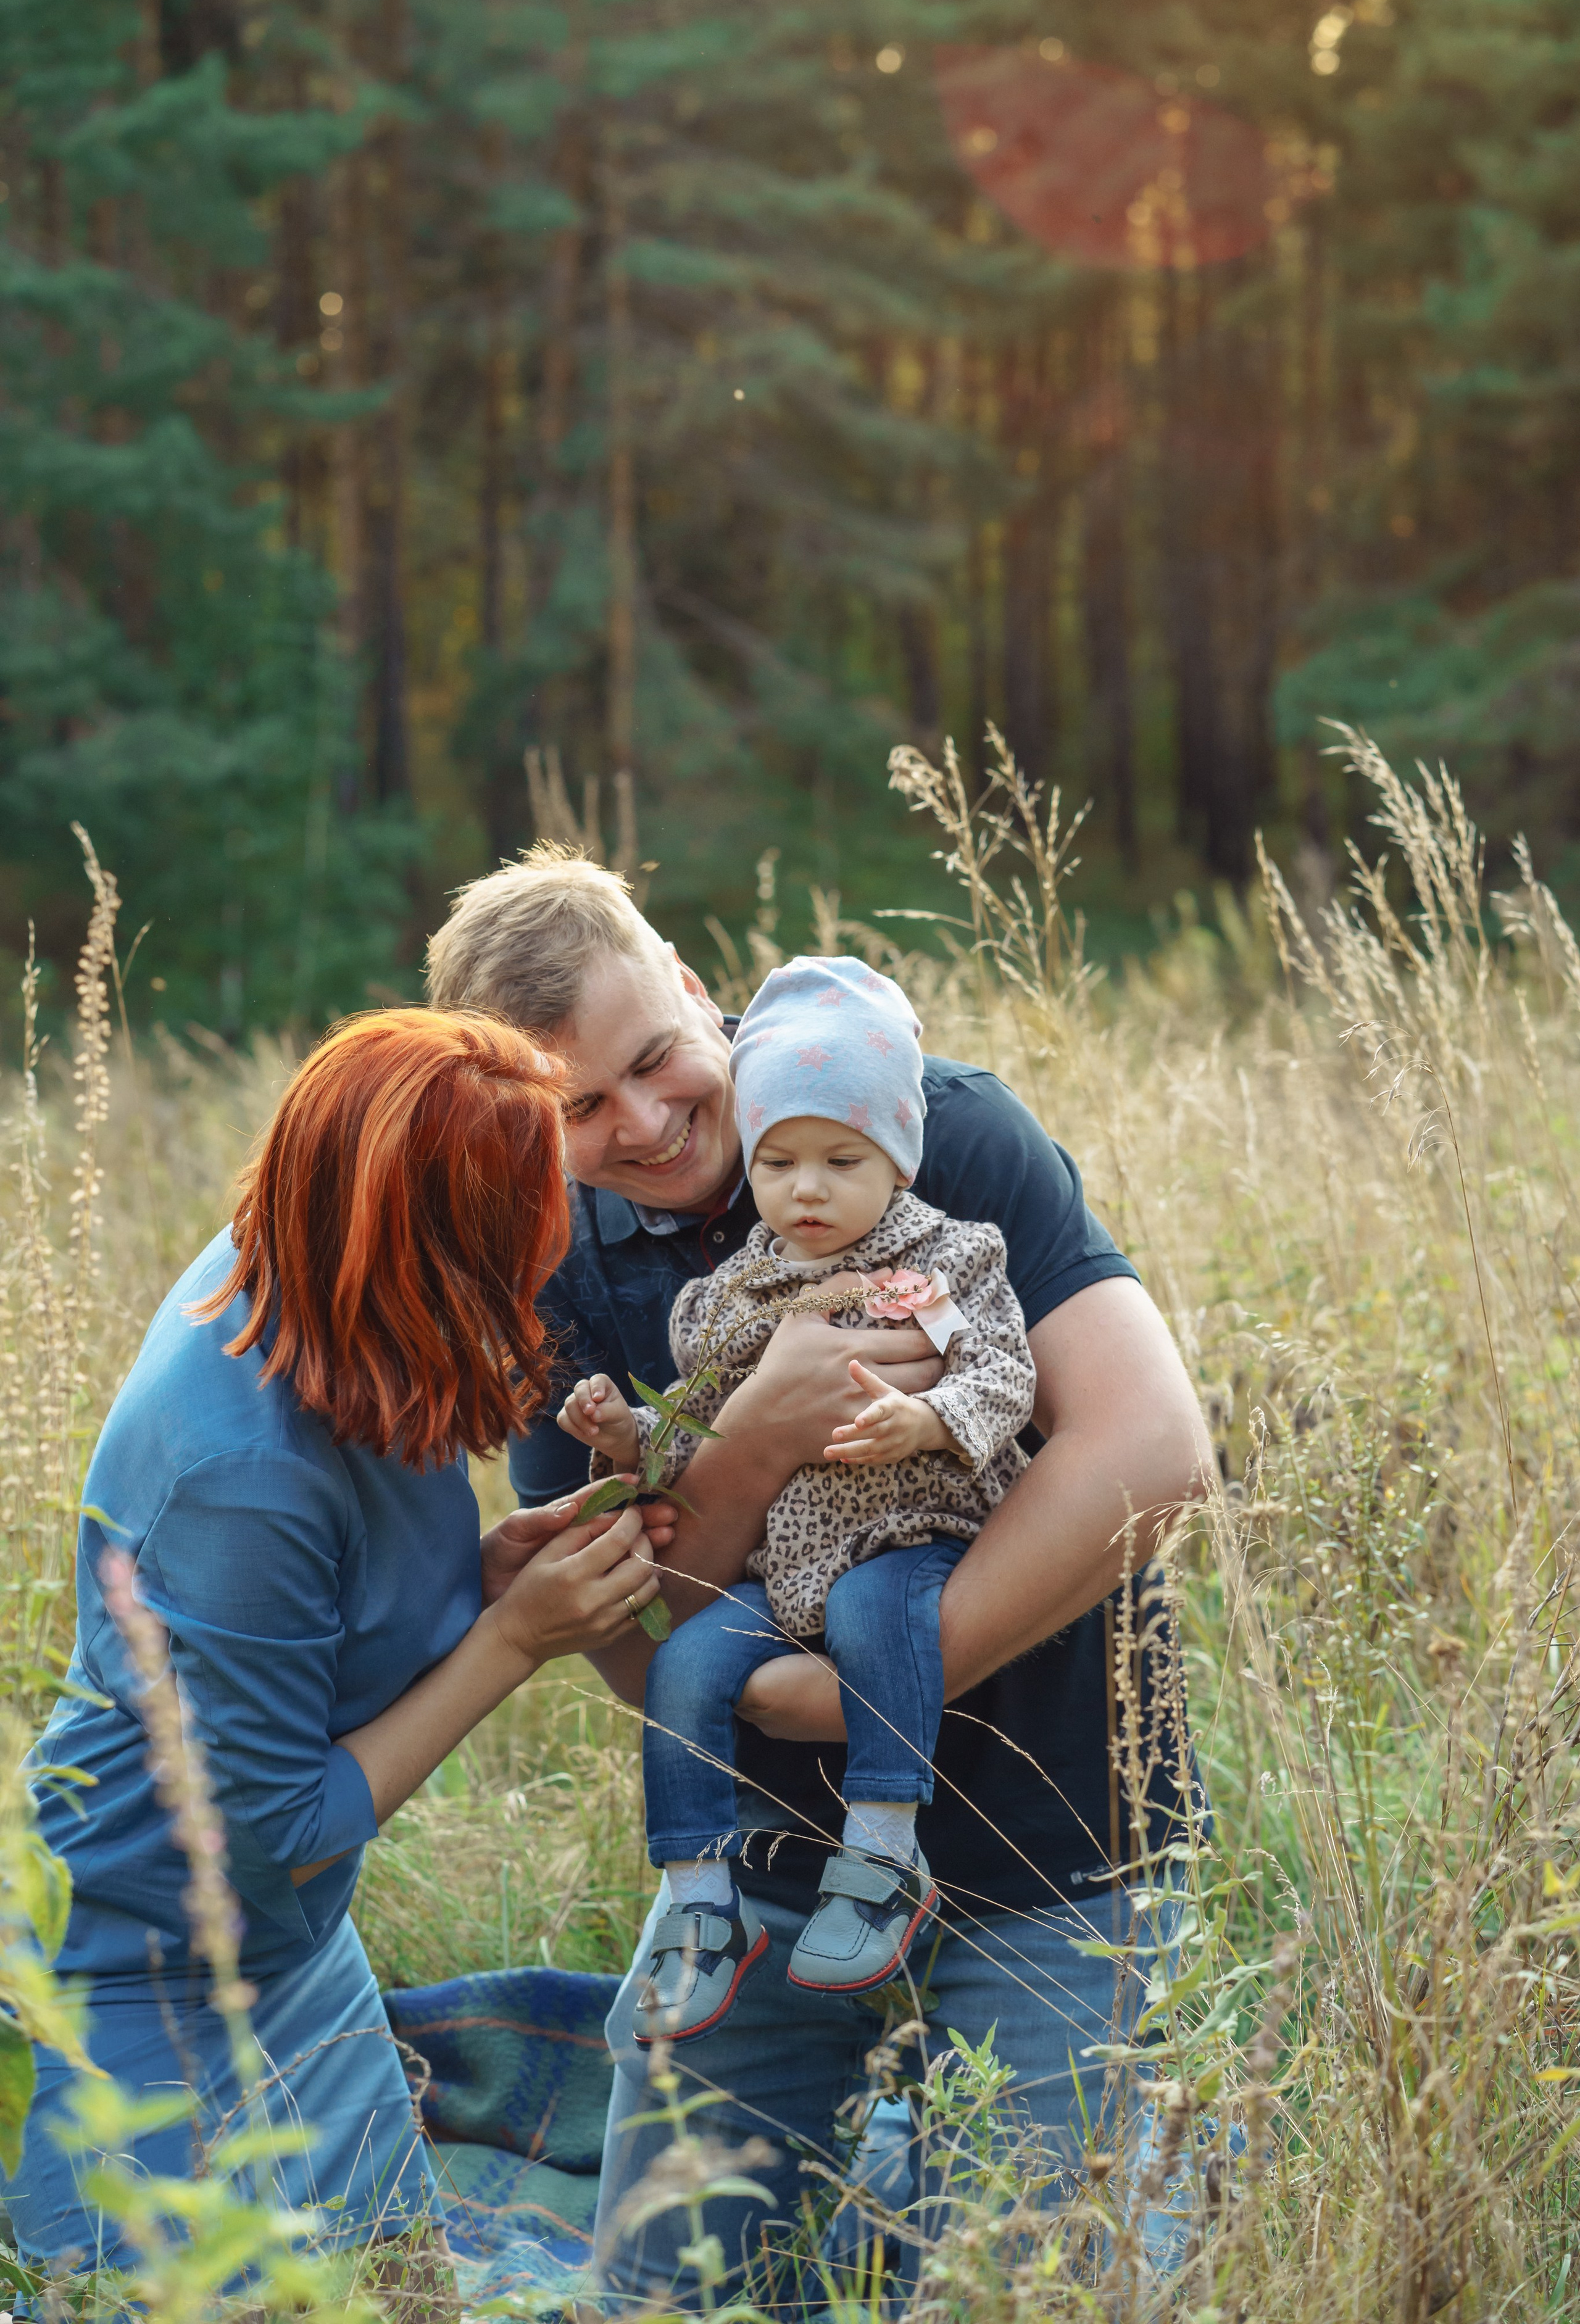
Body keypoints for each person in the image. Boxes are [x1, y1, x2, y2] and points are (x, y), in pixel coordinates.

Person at [425, 849, 1212, 2306]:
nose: (649, 1122)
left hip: (1057, 1826)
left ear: (689, 985)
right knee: (667, 2297)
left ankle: (961, 2189)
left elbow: (1152, 1449)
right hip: (761, 1869)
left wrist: (869, 1703)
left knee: (1028, 2290)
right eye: (581, 1109)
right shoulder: (545, 1271)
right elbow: (623, 1636)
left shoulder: (930, 1125)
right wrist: (762, 1428)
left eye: (658, 1060)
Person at [6, 1010, 668, 2280]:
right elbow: (279, 1837)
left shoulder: (338, 1280)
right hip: (142, 1964)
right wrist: (513, 1642)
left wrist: (484, 1581)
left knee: (402, 2291)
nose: (545, 1280)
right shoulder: (237, 1474)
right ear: (435, 1255)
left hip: (293, 1947)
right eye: (520, 1254)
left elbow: (322, 1631)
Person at [557, 955, 1037, 2035]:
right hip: (787, 1570)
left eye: (840, 1160)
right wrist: (624, 1434)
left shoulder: (941, 1264)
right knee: (683, 1664)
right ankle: (696, 1899)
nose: (806, 1190)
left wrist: (929, 1418)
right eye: (777, 1162)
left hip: (916, 1534)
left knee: (877, 1615)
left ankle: (881, 1853)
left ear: (898, 1160)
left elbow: (1003, 1373)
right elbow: (691, 1424)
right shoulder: (738, 1289)